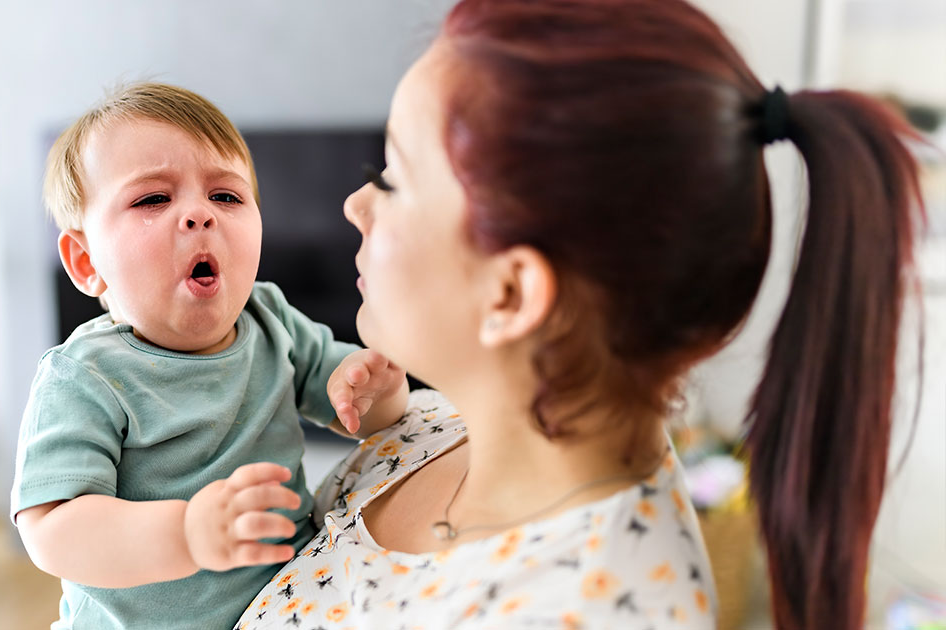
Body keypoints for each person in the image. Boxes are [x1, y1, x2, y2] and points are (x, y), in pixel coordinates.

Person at [238, 0, 925, 628]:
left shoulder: (587, 608)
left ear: (510, 295)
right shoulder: (439, 428)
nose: (358, 204)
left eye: (394, 176)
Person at [9, 82, 410, 630]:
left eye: (226, 196)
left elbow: (358, 412)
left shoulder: (270, 318)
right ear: (84, 260)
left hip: (284, 607)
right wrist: (186, 534)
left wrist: (379, 391)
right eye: (153, 198)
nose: (199, 214)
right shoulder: (85, 376)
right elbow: (51, 530)